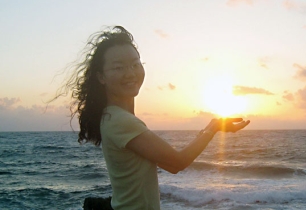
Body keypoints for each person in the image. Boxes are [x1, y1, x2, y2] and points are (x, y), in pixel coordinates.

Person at [55, 26, 250, 210]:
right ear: (101, 77)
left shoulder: (112, 117)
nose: (130, 73)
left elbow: (167, 162)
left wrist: (210, 128)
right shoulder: (121, 121)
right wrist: (213, 127)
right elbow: (177, 163)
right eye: (118, 67)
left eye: (135, 64)